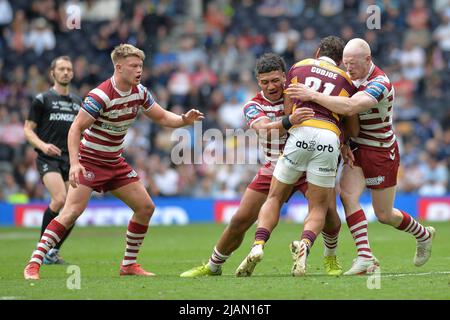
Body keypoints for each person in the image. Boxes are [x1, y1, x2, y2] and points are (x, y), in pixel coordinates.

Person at [23, 44, 204, 280]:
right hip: (89, 160)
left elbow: (160, 116)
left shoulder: (140, 92)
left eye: (141, 65)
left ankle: (128, 265)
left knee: (146, 207)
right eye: (133, 66)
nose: (139, 70)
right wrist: (76, 164)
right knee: (71, 212)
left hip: (114, 161)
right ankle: (33, 264)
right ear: (119, 67)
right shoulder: (101, 95)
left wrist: (183, 120)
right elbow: (75, 128)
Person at [180, 52, 346, 278]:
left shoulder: (300, 94)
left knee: (330, 217)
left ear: (285, 77)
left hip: (307, 165)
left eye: (276, 80)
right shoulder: (253, 104)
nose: (271, 86)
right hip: (275, 166)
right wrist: (289, 121)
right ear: (258, 82)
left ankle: (330, 259)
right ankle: (213, 265)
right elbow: (262, 127)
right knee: (240, 219)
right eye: (265, 82)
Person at [288, 38, 435, 275]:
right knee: (346, 194)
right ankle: (365, 257)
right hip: (357, 148)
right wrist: (345, 141)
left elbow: (349, 108)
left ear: (367, 59)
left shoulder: (380, 83)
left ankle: (423, 234)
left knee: (385, 215)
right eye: (345, 63)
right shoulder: (349, 77)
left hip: (380, 151)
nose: (348, 69)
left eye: (353, 64)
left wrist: (312, 94)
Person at [236, 36, 359, 277]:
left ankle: (258, 245)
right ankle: (306, 244)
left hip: (299, 135)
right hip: (329, 139)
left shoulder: (299, 67)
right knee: (319, 207)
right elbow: (353, 125)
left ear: (317, 51)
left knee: (274, 197)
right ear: (342, 61)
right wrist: (344, 140)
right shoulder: (347, 81)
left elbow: (288, 111)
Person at [23, 56, 82, 264]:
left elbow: (82, 131)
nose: (66, 72)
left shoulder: (78, 102)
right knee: (60, 199)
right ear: (53, 74)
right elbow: (28, 129)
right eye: (61, 69)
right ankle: (41, 250)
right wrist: (43, 145)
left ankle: (52, 252)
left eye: (69, 69)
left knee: (73, 209)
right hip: (48, 157)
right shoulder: (42, 99)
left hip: (71, 159)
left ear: (72, 73)